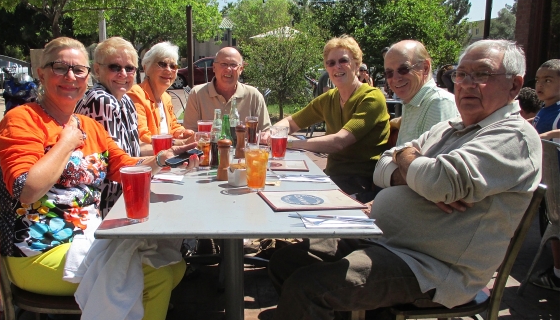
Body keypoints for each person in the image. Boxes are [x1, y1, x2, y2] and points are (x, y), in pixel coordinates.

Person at [253, 40, 542, 320]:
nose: (468, 84)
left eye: (482, 74)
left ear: (515, 86)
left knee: (310, 288)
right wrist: (410, 162)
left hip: (429, 264)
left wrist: (412, 169)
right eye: (462, 74)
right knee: (286, 262)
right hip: (385, 239)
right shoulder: (454, 128)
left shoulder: (512, 137)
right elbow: (384, 163)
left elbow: (440, 182)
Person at [0, 37, 199, 320]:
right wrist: (65, 142)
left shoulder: (89, 125)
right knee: (153, 276)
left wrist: (168, 157)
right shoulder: (22, 120)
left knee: (172, 264)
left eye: (78, 69)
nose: (70, 76)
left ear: (88, 77)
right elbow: (26, 189)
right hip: (38, 252)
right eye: (60, 67)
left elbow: (125, 167)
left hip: (86, 238)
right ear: (42, 73)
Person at [271, 35, 389, 202]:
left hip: (360, 184)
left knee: (292, 199)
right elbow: (291, 122)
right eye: (331, 63)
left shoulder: (372, 98)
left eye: (343, 61)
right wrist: (270, 133)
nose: (337, 67)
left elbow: (338, 142)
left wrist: (286, 142)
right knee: (278, 187)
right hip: (332, 177)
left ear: (356, 64)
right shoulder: (330, 98)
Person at [75, 37, 148, 216]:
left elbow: (133, 151)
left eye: (129, 68)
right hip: (106, 204)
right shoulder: (102, 101)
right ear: (97, 70)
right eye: (115, 67)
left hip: (125, 193)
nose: (123, 74)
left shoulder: (125, 101)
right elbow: (113, 168)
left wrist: (171, 154)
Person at [384, 40, 458, 146]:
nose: (395, 78)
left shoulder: (438, 103)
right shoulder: (412, 102)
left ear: (425, 68)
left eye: (404, 69)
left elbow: (433, 159)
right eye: (389, 73)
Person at [183, 47, 271, 132]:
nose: (228, 69)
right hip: (208, 147)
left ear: (241, 69)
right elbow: (189, 133)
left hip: (244, 147)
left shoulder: (253, 96)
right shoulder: (197, 94)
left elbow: (265, 132)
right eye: (223, 64)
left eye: (233, 65)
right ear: (214, 67)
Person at [530, 59, 560, 291]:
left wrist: (549, 134)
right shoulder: (545, 108)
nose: (540, 85)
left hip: (556, 180)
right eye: (539, 80)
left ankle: (557, 274)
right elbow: (535, 123)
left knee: (555, 223)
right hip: (544, 179)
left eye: (548, 80)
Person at [128, 41, 194, 145]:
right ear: (146, 68)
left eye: (173, 66)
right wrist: (177, 143)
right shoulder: (135, 94)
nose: (168, 70)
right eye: (162, 64)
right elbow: (142, 137)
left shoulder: (166, 97)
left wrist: (183, 133)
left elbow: (173, 126)